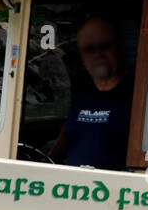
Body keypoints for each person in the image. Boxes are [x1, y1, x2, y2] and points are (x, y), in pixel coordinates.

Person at [49, 17, 135, 170]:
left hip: (116, 188)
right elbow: (68, 133)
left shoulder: (136, 90)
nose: (97, 55)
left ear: (118, 46)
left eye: (104, 47)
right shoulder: (82, 87)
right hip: (68, 185)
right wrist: (45, 163)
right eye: (89, 49)